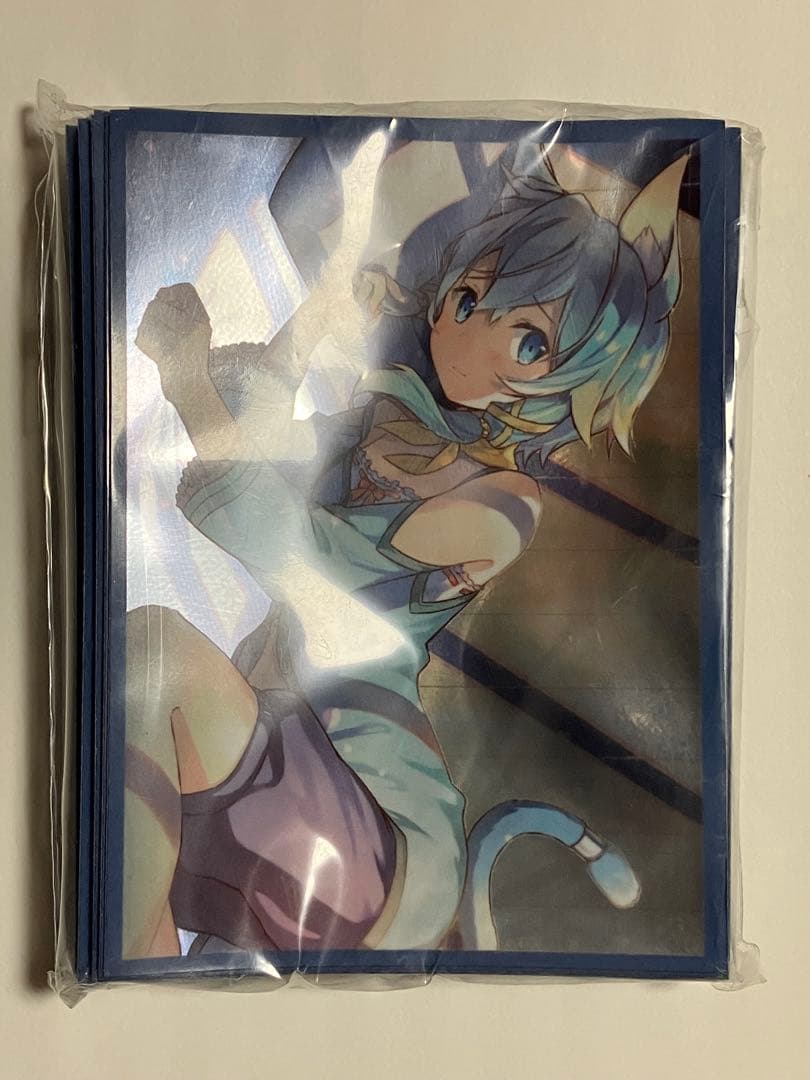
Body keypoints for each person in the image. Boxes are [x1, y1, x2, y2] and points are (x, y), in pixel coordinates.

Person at [124, 140, 686, 960]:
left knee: (152, 661)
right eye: (472, 294)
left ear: (577, 383)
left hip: (370, 813)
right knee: (136, 849)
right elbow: (265, 442)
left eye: (530, 342)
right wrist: (316, 318)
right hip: (277, 749)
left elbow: (298, 554)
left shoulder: (504, 508)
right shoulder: (392, 422)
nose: (472, 331)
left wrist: (190, 385)